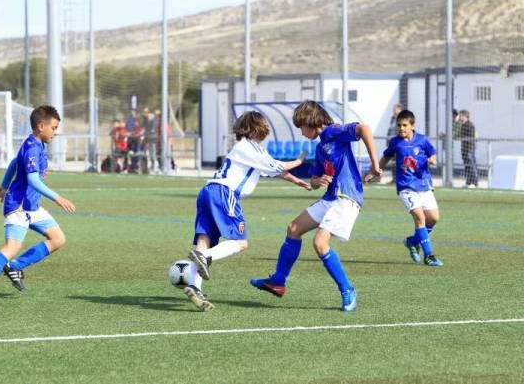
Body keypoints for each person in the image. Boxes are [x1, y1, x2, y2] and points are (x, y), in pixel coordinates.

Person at [250, 100, 381, 312]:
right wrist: (317, 181)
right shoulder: (321, 147)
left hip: (347, 197)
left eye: (301, 126)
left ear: (311, 121)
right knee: (293, 229)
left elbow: (364, 128)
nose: (301, 133)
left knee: (320, 243)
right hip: (331, 198)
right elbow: (315, 179)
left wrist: (375, 164)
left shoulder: (335, 131)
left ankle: (348, 290)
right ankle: (278, 281)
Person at [183, 111, 311, 311]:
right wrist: (299, 161)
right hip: (224, 193)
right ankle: (205, 258)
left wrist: (296, 181)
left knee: (204, 241)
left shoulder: (249, 150)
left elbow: (271, 170)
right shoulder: (249, 148)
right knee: (240, 243)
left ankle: (194, 286)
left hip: (208, 191)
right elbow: (277, 165)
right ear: (259, 128)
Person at [0, 105, 76, 303]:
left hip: (32, 206)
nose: (55, 132)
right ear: (41, 126)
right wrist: (57, 198)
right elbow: (33, 180)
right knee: (12, 246)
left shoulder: (36, 144)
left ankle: (15, 266)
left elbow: (14, 163)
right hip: (19, 206)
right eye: (53, 128)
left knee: (58, 239)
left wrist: (4, 185)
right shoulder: (33, 147)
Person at [372, 109, 443, 267]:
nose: (401, 128)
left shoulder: (422, 140)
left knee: (434, 218)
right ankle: (429, 255)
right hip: (406, 187)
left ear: (412, 125)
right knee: (420, 217)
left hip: (424, 185)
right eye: (399, 125)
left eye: (404, 125)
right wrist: (375, 171)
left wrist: (432, 160)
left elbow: (432, 154)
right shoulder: (396, 142)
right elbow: (386, 157)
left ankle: (412, 241)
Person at [456, 109, 478, 188]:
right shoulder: (462, 125)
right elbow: (458, 134)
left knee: (471, 165)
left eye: (460, 115)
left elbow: (471, 137)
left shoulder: (470, 125)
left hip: (469, 149)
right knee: (467, 166)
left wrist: (469, 148)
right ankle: (468, 182)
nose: (459, 117)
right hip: (464, 149)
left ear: (464, 116)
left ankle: (474, 183)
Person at [386, 103, 404, 183]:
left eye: (395, 109)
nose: (393, 110)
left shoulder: (403, 118)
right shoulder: (393, 118)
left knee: (399, 161)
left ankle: (399, 178)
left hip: (399, 143)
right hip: (392, 143)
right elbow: (390, 130)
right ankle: (394, 178)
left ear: (400, 109)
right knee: (393, 160)